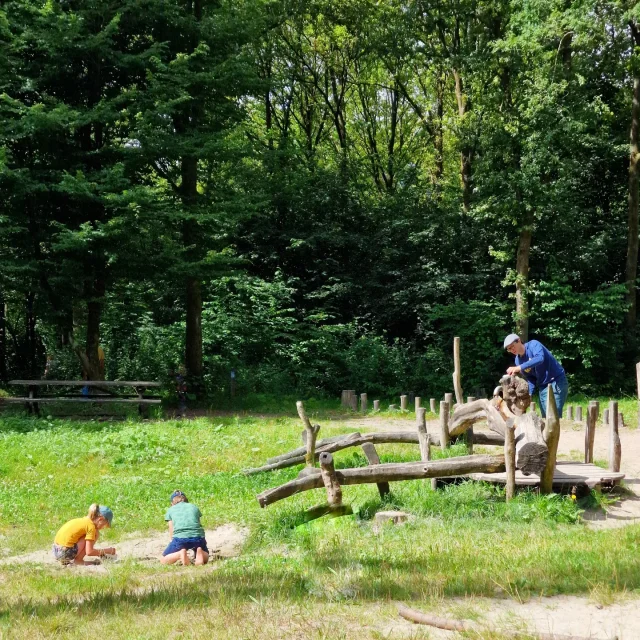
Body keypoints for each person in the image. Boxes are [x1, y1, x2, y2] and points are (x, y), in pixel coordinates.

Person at [503, 333, 569, 418]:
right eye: (509, 349)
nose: (512, 350)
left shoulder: (533, 344)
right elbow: (531, 378)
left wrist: (519, 367)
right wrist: (529, 394)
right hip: (543, 386)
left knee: (553, 417)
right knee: (545, 417)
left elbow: (539, 358)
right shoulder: (518, 360)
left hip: (556, 381)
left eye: (512, 346)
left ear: (519, 340)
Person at [160, 490, 209, 566]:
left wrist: (171, 540)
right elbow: (198, 524)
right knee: (206, 555)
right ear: (187, 501)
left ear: (172, 504)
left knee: (163, 560)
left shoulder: (171, 510)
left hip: (180, 539)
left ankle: (180, 554)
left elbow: (171, 528)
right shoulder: (194, 507)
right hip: (198, 537)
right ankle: (200, 553)